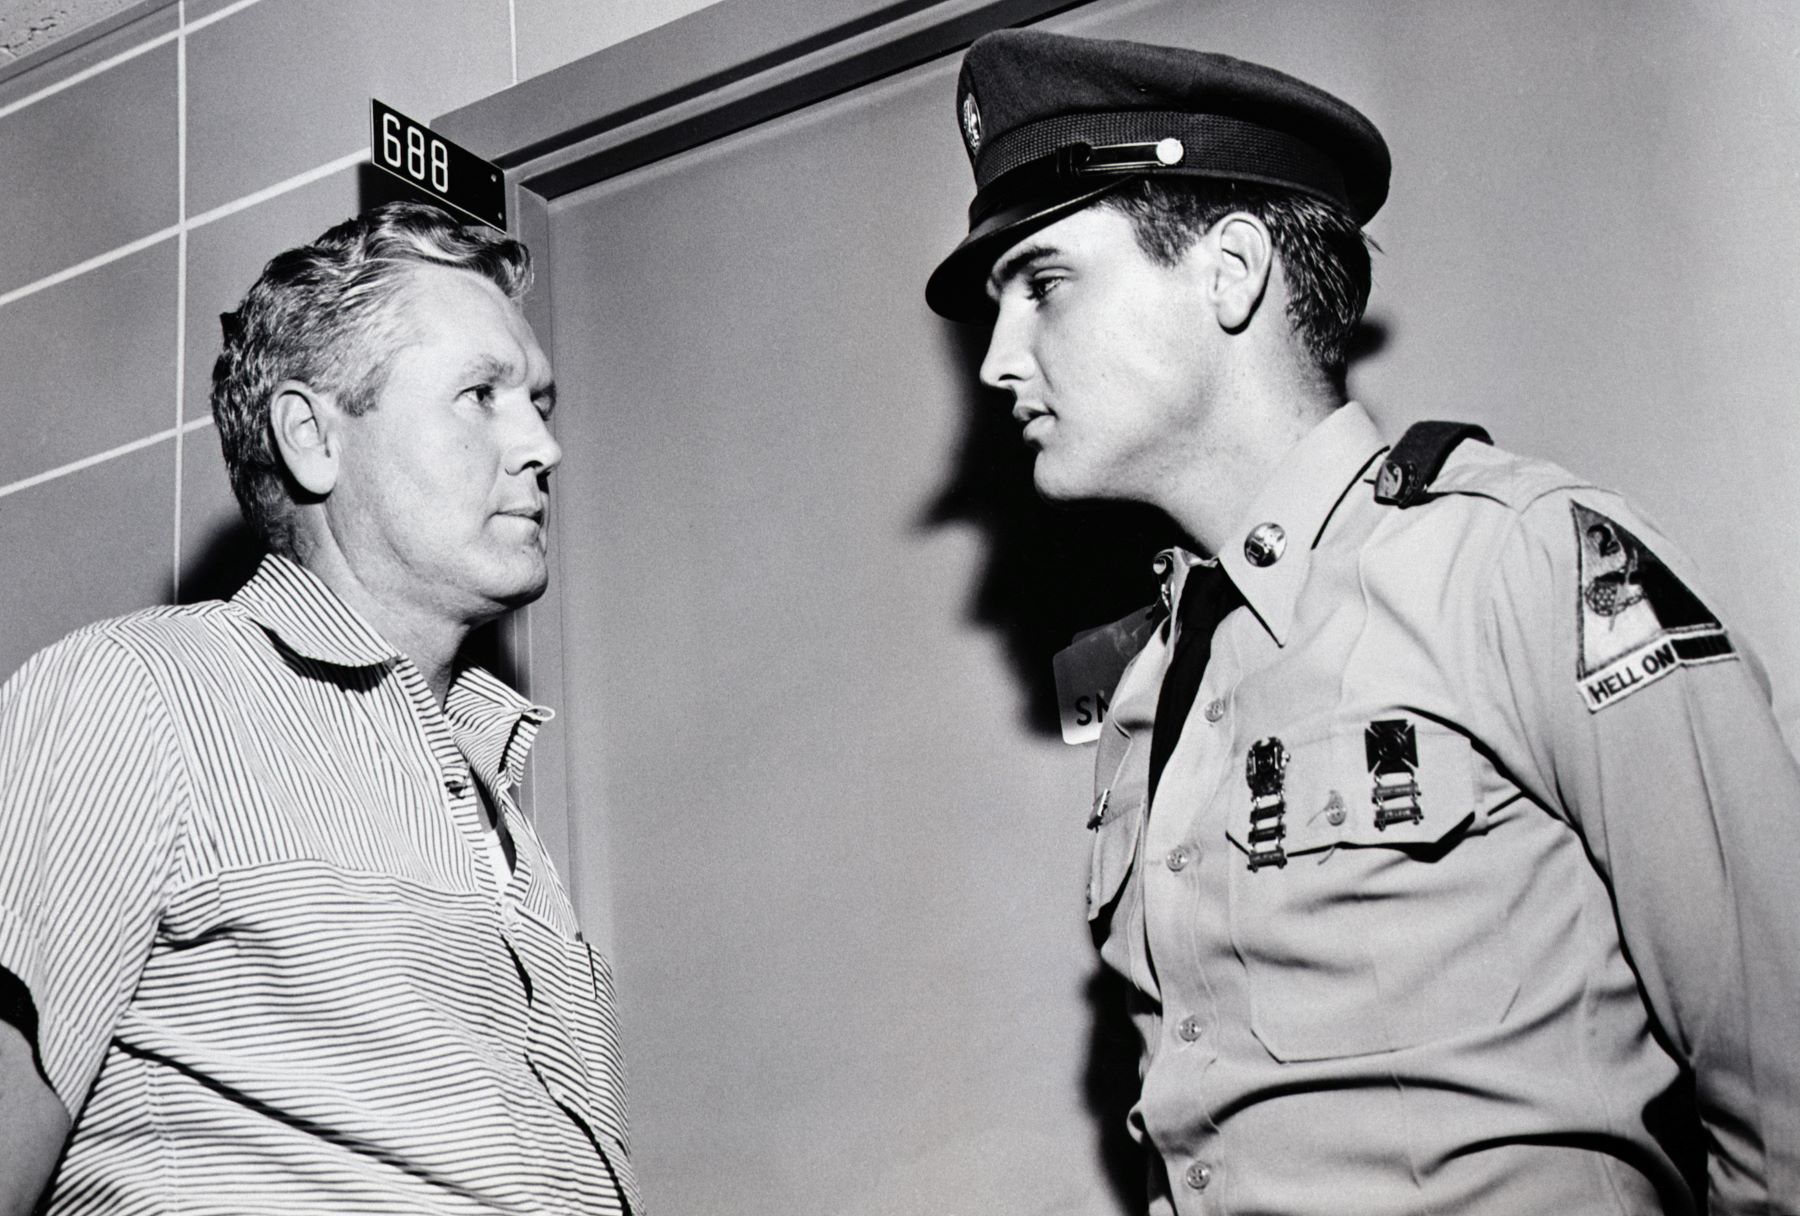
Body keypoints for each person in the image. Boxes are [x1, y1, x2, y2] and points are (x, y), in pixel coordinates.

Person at [926, 28, 1800, 1216]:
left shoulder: (1525, 563)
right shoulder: (1151, 693)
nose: (996, 359)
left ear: (1231, 273)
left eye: (1043, 283)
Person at [0, 202, 641, 1214]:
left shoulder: (499, 804)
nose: (542, 447)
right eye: (481, 394)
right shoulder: (139, 692)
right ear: (312, 437)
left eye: (541, 403)